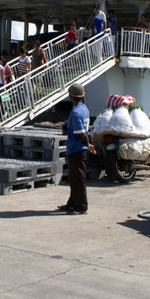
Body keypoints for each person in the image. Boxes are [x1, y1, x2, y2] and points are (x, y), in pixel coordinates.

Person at [57, 83, 96, 215]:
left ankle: (81, 206)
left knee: (78, 179)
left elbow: (81, 133)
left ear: (70, 96)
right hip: (79, 149)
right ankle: (72, 203)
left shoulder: (75, 112)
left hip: (77, 149)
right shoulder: (84, 108)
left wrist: (88, 144)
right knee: (74, 178)